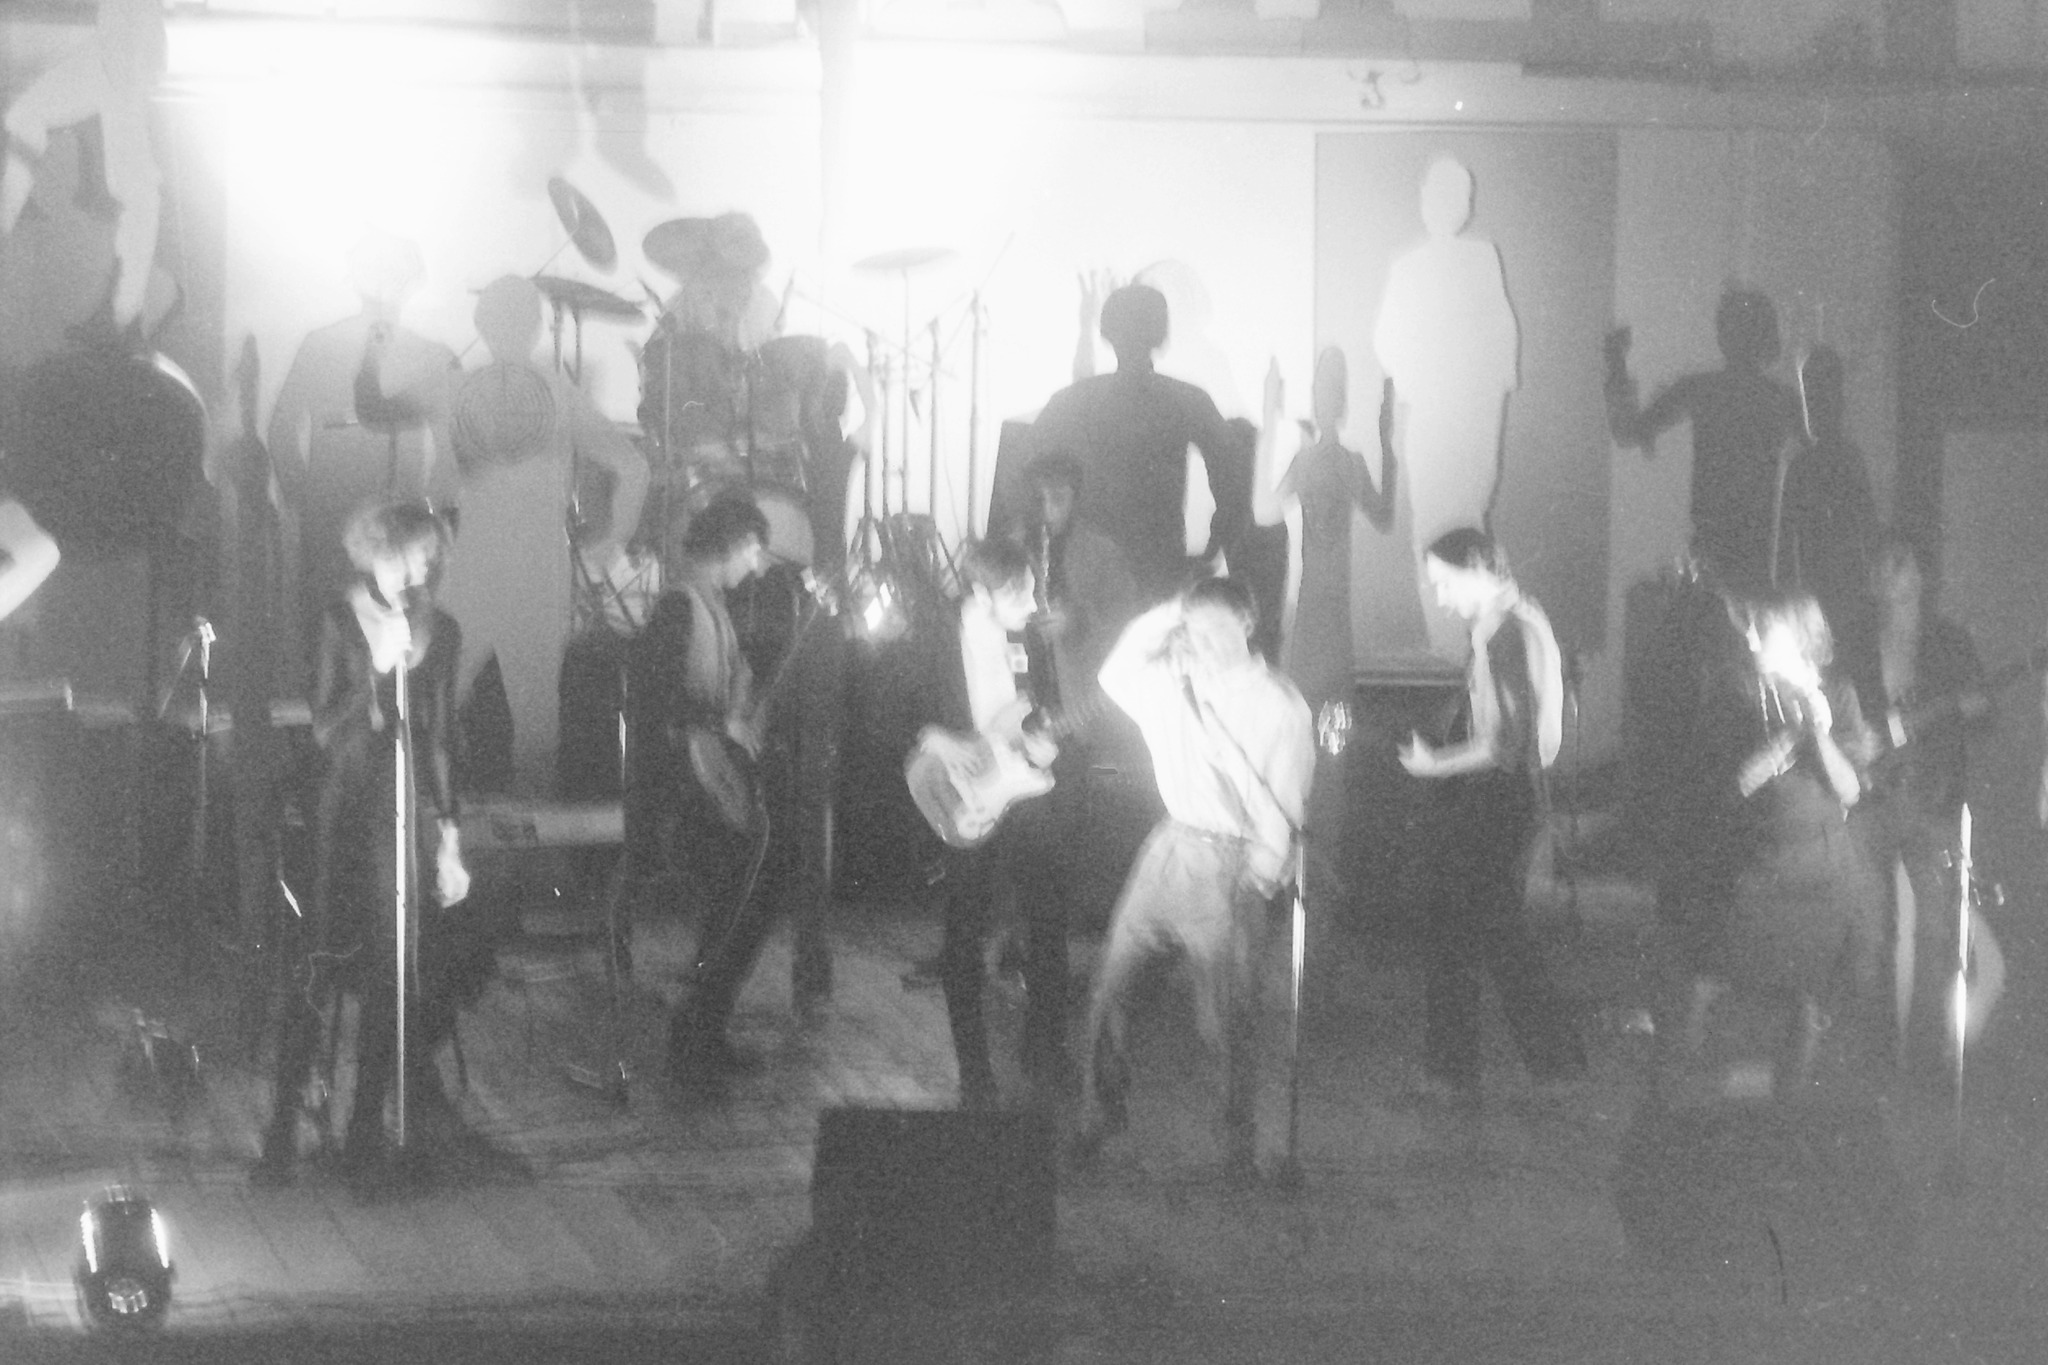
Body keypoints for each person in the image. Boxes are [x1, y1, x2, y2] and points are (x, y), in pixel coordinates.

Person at [252, 499, 474, 1195]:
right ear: (373, 554)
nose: (417, 573)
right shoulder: (337, 621)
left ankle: (365, 1134)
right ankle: (281, 1132)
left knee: (392, 976)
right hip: (341, 815)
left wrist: (451, 839)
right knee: (319, 969)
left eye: (426, 560)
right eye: (404, 559)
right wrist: (377, 670)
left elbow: (441, 739)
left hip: (402, 819)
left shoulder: (442, 630)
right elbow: (324, 727)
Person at [1071, 577, 1313, 1185]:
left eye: (1213, 631)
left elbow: (1287, 798)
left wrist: (1261, 876)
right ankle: (1099, 1116)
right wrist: (1172, 609)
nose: (1199, 643)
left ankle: (1236, 1145)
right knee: (1111, 988)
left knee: (1223, 1016)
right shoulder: (1170, 683)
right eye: (1192, 631)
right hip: (1170, 846)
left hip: (1230, 860)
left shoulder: (1278, 705)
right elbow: (1115, 672)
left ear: (1247, 625)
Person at [1398, 528, 1583, 1099]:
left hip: (1498, 797)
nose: (1439, 596)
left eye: (1445, 582)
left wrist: (1436, 765)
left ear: (1480, 569)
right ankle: (1533, 1067)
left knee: (1476, 930)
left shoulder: (1507, 633)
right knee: (1484, 929)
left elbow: (1506, 742)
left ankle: (1480, 1071)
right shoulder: (1511, 623)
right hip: (1504, 796)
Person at [627, 489, 800, 1094]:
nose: (756, 567)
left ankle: (704, 1025)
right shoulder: (681, 609)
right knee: (747, 894)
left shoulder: (708, 606)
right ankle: (696, 1030)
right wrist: (724, 720)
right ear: (737, 543)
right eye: (754, 552)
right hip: (686, 790)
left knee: (751, 895)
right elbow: (657, 705)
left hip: (705, 779)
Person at [913, 537, 1073, 1108]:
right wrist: (934, 736)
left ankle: (1044, 1047)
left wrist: (1047, 745)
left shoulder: (1027, 637)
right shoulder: (937, 634)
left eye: (1032, 589)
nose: (1032, 603)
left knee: (1049, 917)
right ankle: (973, 1067)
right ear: (980, 593)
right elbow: (898, 705)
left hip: (1024, 789)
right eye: (1018, 593)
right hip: (968, 793)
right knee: (964, 927)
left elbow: (1043, 711)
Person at [1862, 534, 2001, 1077]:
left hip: (1933, 799)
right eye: (1880, 567)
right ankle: (1877, 1056)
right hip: (1871, 802)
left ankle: (1925, 1058)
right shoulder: (1858, 642)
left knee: (1938, 934)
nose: (1886, 574)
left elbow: (1983, 711)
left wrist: (1968, 707)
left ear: (1919, 577)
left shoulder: (1949, 642)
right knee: (1872, 932)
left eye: (1898, 564)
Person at [1373, 156, 1518, 659]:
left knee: (1468, 522)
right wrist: (1415, 381)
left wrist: (1490, 404)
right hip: (1431, 419)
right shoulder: (1407, 266)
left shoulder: (1481, 257)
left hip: (1472, 418)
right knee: (1429, 529)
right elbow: (1387, 340)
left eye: (1457, 197)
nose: (1446, 206)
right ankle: (1443, 645)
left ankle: (1473, 645)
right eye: (1436, 195)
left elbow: (1501, 339)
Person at [1028, 283, 1239, 607]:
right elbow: (1232, 481)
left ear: (1106, 333)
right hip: (1159, 566)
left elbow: (1025, 472)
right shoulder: (1188, 400)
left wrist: (1049, 548)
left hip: (1086, 568)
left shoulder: (1071, 400)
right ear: (1162, 335)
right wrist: (1211, 553)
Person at [1606, 289, 1804, 598]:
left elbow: (1629, 431)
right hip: (1754, 557)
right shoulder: (1780, 399)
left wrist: (1616, 363)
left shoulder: (1705, 391)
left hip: (1722, 557)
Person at [1780, 344, 1882, 709]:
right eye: (1808, 397)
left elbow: (1868, 534)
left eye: (1821, 395)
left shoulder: (1846, 461)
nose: (1814, 407)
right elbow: (1785, 549)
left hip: (1848, 606)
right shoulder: (1801, 467)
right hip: (1817, 606)